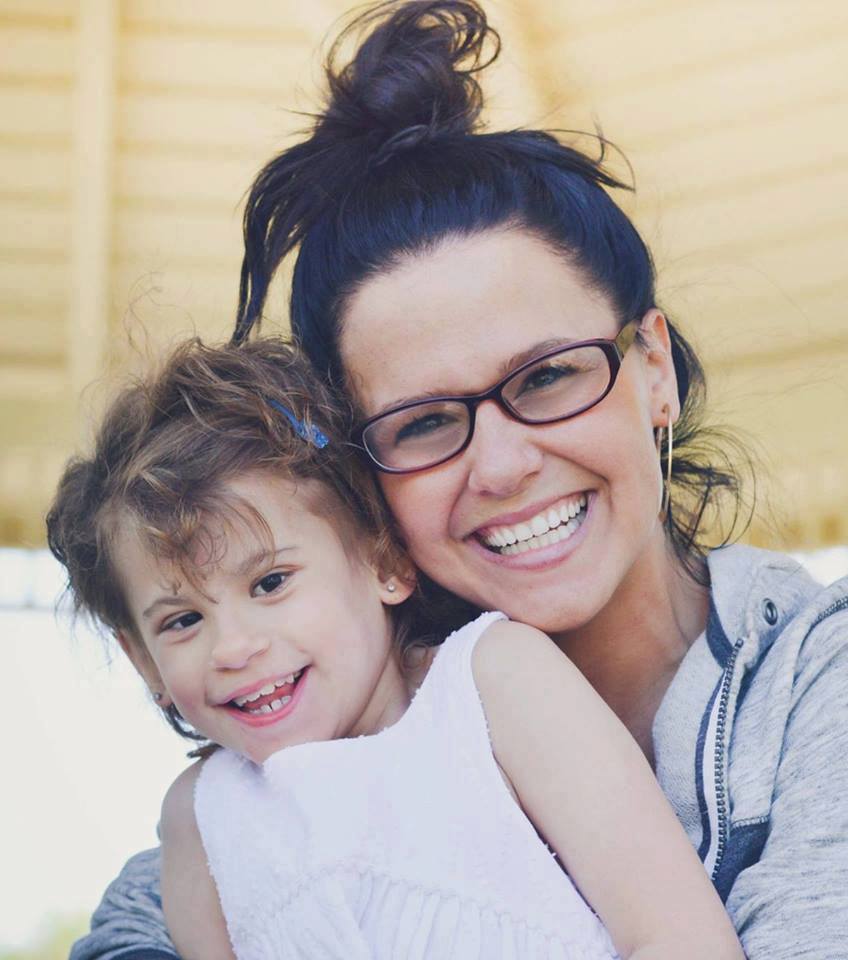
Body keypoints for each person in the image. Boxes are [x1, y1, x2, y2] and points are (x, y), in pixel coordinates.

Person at [69, 2, 848, 958]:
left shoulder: (833, 687)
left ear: (651, 368)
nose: (501, 463)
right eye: (423, 422)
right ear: (360, 490)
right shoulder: (306, 751)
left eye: (548, 376)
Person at [48, 338, 742, 960]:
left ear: (383, 562)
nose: (233, 647)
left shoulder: (494, 683)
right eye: (181, 622)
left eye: (271, 581)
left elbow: (679, 935)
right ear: (144, 664)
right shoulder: (200, 818)